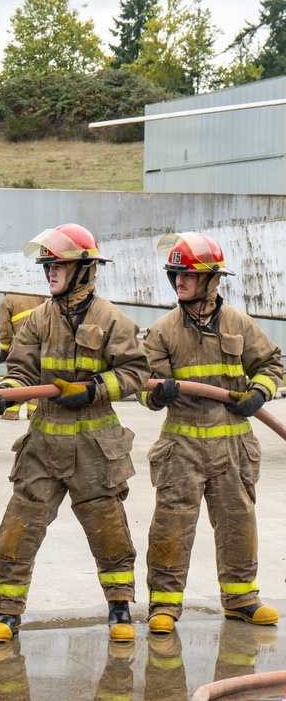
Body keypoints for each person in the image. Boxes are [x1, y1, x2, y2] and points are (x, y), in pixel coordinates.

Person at [0, 223, 150, 643]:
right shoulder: (39, 318)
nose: (49, 271)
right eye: (47, 264)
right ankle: (6, 612)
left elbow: (136, 372)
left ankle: (119, 607)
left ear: (85, 270)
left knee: (108, 529)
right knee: (19, 527)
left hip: (96, 448)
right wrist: (6, 394)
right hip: (43, 444)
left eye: (58, 264)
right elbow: (19, 369)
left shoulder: (112, 319)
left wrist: (94, 389)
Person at [139, 232, 282, 635]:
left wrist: (258, 394)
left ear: (211, 280)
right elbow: (143, 389)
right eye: (175, 275)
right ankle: (164, 605)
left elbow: (272, 364)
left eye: (187, 275)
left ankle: (242, 599)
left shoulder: (239, 322)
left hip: (233, 444)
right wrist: (159, 393)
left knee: (238, 521)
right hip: (180, 446)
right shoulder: (163, 330)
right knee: (171, 524)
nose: (179, 281)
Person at [0, 294, 45, 420]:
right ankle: (33, 413)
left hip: (21, 343)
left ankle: (11, 413)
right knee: (36, 378)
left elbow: (5, 328)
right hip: (42, 343)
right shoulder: (36, 294)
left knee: (16, 375)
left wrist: (4, 349)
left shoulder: (6, 301)